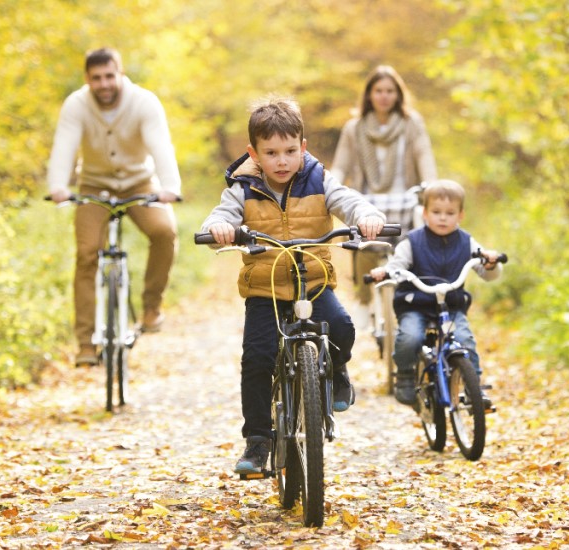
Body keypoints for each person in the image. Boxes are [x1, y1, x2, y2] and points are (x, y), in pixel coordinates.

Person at [200, 97, 385, 475]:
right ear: (254, 153)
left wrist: (364, 214)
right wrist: (219, 229)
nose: (281, 161)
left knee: (343, 327)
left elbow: (345, 199)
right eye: (271, 153)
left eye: (289, 151)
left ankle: (336, 371)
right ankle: (257, 441)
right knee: (257, 358)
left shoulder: (318, 178)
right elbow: (222, 214)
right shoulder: (243, 187)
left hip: (312, 283)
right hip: (264, 288)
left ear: (303, 148)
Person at [46, 48, 182, 367]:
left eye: (109, 76)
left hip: (140, 183)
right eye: (96, 78)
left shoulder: (144, 102)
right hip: (94, 186)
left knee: (164, 231)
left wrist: (170, 187)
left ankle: (151, 307)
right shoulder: (76, 105)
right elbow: (63, 146)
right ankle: (85, 343)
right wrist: (58, 187)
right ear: (87, 80)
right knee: (86, 252)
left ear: (120, 74)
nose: (104, 84)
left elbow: (161, 146)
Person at [367, 180, 502, 408]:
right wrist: (386, 272)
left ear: (460, 215)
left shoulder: (467, 242)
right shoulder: (412, 241)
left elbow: (485, 269)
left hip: (450, 308)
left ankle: (474, 387)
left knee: (465, 340)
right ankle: (406, 375)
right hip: (415, 305)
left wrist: (489, 263)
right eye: (436, 212)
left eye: (450, 213)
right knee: (410, 337)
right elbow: (397, 265)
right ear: (425, 213)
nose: (442, 218)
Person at [331, 65, 437, 310]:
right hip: (366, 201)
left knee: (410, 251)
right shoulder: (354, 128)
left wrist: (431, 187)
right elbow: (340, 166)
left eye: (390, 90)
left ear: (398, 94)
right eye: (379, 90)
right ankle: (364, 300)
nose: (384, 96)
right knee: (363, 247)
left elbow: (425, 158)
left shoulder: (412, 124)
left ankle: (409, 301)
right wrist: (328, 188)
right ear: (369, 94)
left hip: (405, 199)